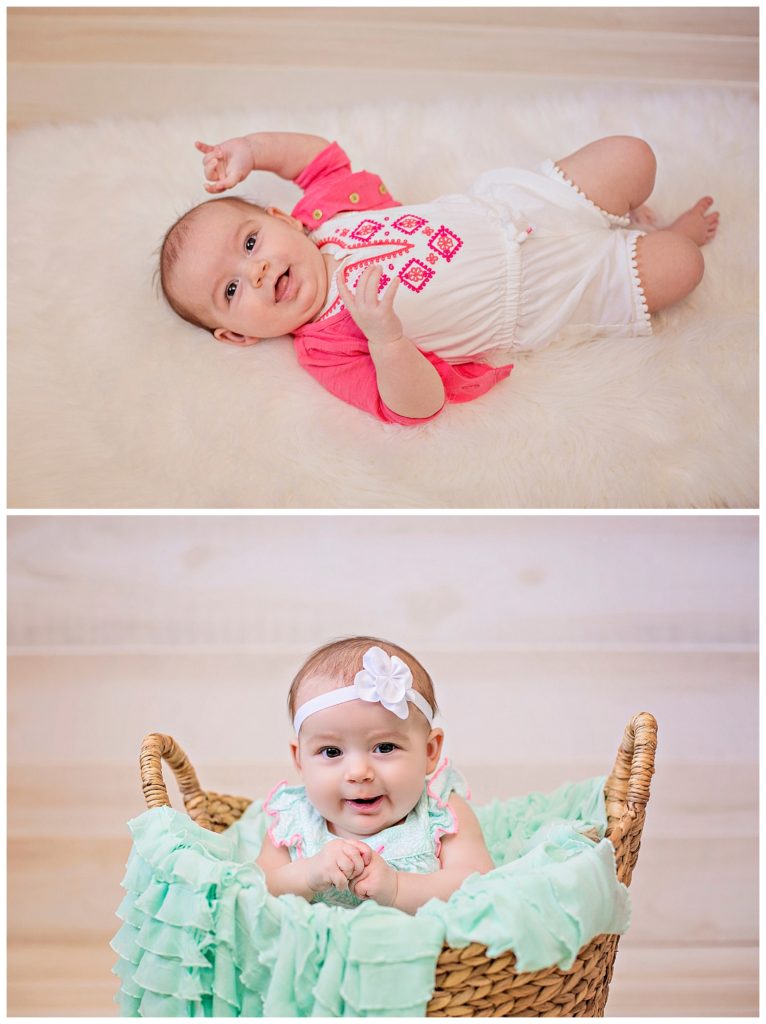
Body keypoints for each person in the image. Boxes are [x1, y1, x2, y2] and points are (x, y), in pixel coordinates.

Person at [159, 131, 719, 425]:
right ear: (237, 334)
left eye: (251, 243)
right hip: (551, 292)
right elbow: (414, 408)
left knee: (633, 155)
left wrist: (251, 150)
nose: (255, 271)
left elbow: (317, 158)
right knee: (682, 267)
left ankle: (625, 219)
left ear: (281, 218)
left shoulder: (325, 215)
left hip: (520, 208)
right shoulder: (326, 350)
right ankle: (659, 240)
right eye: (231, 291)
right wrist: (387, 339)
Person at [256, 637, 495, 911]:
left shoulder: (441, 812)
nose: (359, 773)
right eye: (331, 752)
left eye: (384, 747)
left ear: (429, 751)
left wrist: (397, 888)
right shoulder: (293, 819)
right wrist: (307, 874)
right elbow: (256, 888)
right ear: (299, 759)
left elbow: (479, 883)